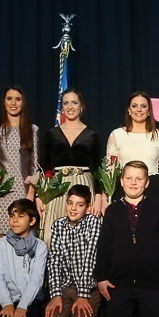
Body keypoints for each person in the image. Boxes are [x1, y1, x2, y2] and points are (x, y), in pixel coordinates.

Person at [96, 161, 159, 317]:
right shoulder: (112, 210)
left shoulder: (158, 209)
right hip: (120, 282)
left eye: (139, 179)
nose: (133, 183)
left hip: (151, 280)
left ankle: (145, 310)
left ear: (146, 183)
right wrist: (102, 277)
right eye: (129, 178)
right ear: (121, 181)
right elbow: (104, 245)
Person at [37, 87, 103, 242]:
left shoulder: (92, 135)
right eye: (66, 103)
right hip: (57, 189)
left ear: (82, 107)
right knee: (54, 237)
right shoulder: (52, 134)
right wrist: (40, 196)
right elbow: (45, 167)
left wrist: (98, 198)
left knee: (83, 237)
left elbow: (97, 169)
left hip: (84, 186)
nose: (70, 106)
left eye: (74, 102)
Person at [0, 85, 39, 240]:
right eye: (9, 99)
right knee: (0, 241)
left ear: (23, 103)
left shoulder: (32, 130)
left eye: (18, 99)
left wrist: (30, 196)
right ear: (4, 102)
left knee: (22, 238)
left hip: (23, 192)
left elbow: (36, 166)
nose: (13, 103)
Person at [44, 185, 103, 317]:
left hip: (88, 286)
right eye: (70, 203)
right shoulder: (58, 225)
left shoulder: (93, 223)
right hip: (65, 286)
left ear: (88, 207)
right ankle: (69, 309)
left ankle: (98, 311)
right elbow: (54, 260)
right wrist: (56, 294)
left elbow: (90, 259)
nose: (73, 208)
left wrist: (83, 295)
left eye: (79, 204)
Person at [105, 90, 159, 209]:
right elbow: (109, 170)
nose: (139, 109)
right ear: (128, 110)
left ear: (149, 111)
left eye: (143, 106)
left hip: (152, 190)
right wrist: (105, 198)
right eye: (134, 106)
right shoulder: (116, 135)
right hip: (123, 190)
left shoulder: (158, 136)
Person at [0, 198, 47, 317]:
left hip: (30, 299)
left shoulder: (40, 246)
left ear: (32, 221)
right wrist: (7, 304)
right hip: (8, 297)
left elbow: (36, 279)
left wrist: (22, 306)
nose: (15, 220)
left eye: (21, 216)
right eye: (12, 216)